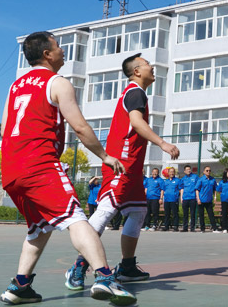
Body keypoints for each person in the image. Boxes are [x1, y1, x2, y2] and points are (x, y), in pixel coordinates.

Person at [0, 31, 135, 305]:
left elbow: (5, 130)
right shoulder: (57, 82)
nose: (63, 51)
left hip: (12, 169)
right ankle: (105, 277)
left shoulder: (15, 87)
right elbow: (80, 127)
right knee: (76, 218)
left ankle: (20, 285)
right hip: (39, 165)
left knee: (39, 228)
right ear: (47, 54)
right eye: (58, 46)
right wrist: (104, 156)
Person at [65, 52, 179, 290]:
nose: (151, 66)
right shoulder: (135, 92)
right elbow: (137, 122)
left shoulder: (137, 93)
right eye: (147, 64)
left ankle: (127, 266)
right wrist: (162, 143)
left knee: (137, 212)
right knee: (106, 210)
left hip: (133, 167)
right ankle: (79, 265)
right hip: (121, 163)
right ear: (136, 71)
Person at [196, 166, 220, 233]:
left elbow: (215, 189)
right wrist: (198, 199)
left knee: (211, 214)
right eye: (207, 170)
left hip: (209, 200)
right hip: (201, 199)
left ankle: (214, 228)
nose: (208, 172)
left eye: (209, 170)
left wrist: (215, 197)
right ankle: (202, 229)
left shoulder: (213, 179)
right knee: (201, 215)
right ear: (204, 171)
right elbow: (197, 190)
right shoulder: (201, 179)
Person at [161, 167, 182, 232]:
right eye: (170, 172)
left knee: (175, 214)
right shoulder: (166, 181)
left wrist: (181, 197)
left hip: (174, 200)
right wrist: (161, 198)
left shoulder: (178, 180)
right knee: (167, 214)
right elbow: (163, 190)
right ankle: (166, 226)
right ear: (168, 173)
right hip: (167, 200)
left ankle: (175, 226)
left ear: (174, 173)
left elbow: (180, 190)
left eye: (173, 172)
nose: (172, 173)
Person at [216, 169, 228, 233]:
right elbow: (218, 190)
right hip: (224, 200)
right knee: (224, 214)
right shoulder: (222, 182)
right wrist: (223, 194)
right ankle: (225, 228)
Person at [180, 164, 198, 232]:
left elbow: (197, 187)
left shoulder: (195, 177)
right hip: (185, 198)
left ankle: (192, 228)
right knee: (185, 214)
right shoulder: (183, 179)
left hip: (192, 197)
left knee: (192, 213)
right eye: (187, 170)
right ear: (184, 171)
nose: (188, 170)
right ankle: (185, 228)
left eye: (189, 169)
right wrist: (181, 197)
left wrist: (197, 197)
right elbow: (182, 188)